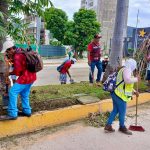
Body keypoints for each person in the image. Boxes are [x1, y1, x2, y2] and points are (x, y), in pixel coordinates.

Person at [104, 58, 140, 135]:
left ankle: (108, 125)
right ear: (132, 65)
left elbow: (126, 84)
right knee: (122, 112)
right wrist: (136, 79)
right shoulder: (127, 70)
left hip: (116, 93)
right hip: (120, 95)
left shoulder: (123, 69)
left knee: (115, 110)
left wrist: (134, 91)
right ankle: (122, 127)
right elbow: (127, 80)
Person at [0, 46, 36, 120]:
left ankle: (12, 113)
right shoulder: (22, 52)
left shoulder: (17, 56)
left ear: (11, 49)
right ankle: (27, 111)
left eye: (7, 51)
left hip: (25, 78)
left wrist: (9, 73)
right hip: (32, 77)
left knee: (12, 92)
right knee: (24, 94)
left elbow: (18, 72)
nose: (7, 53)